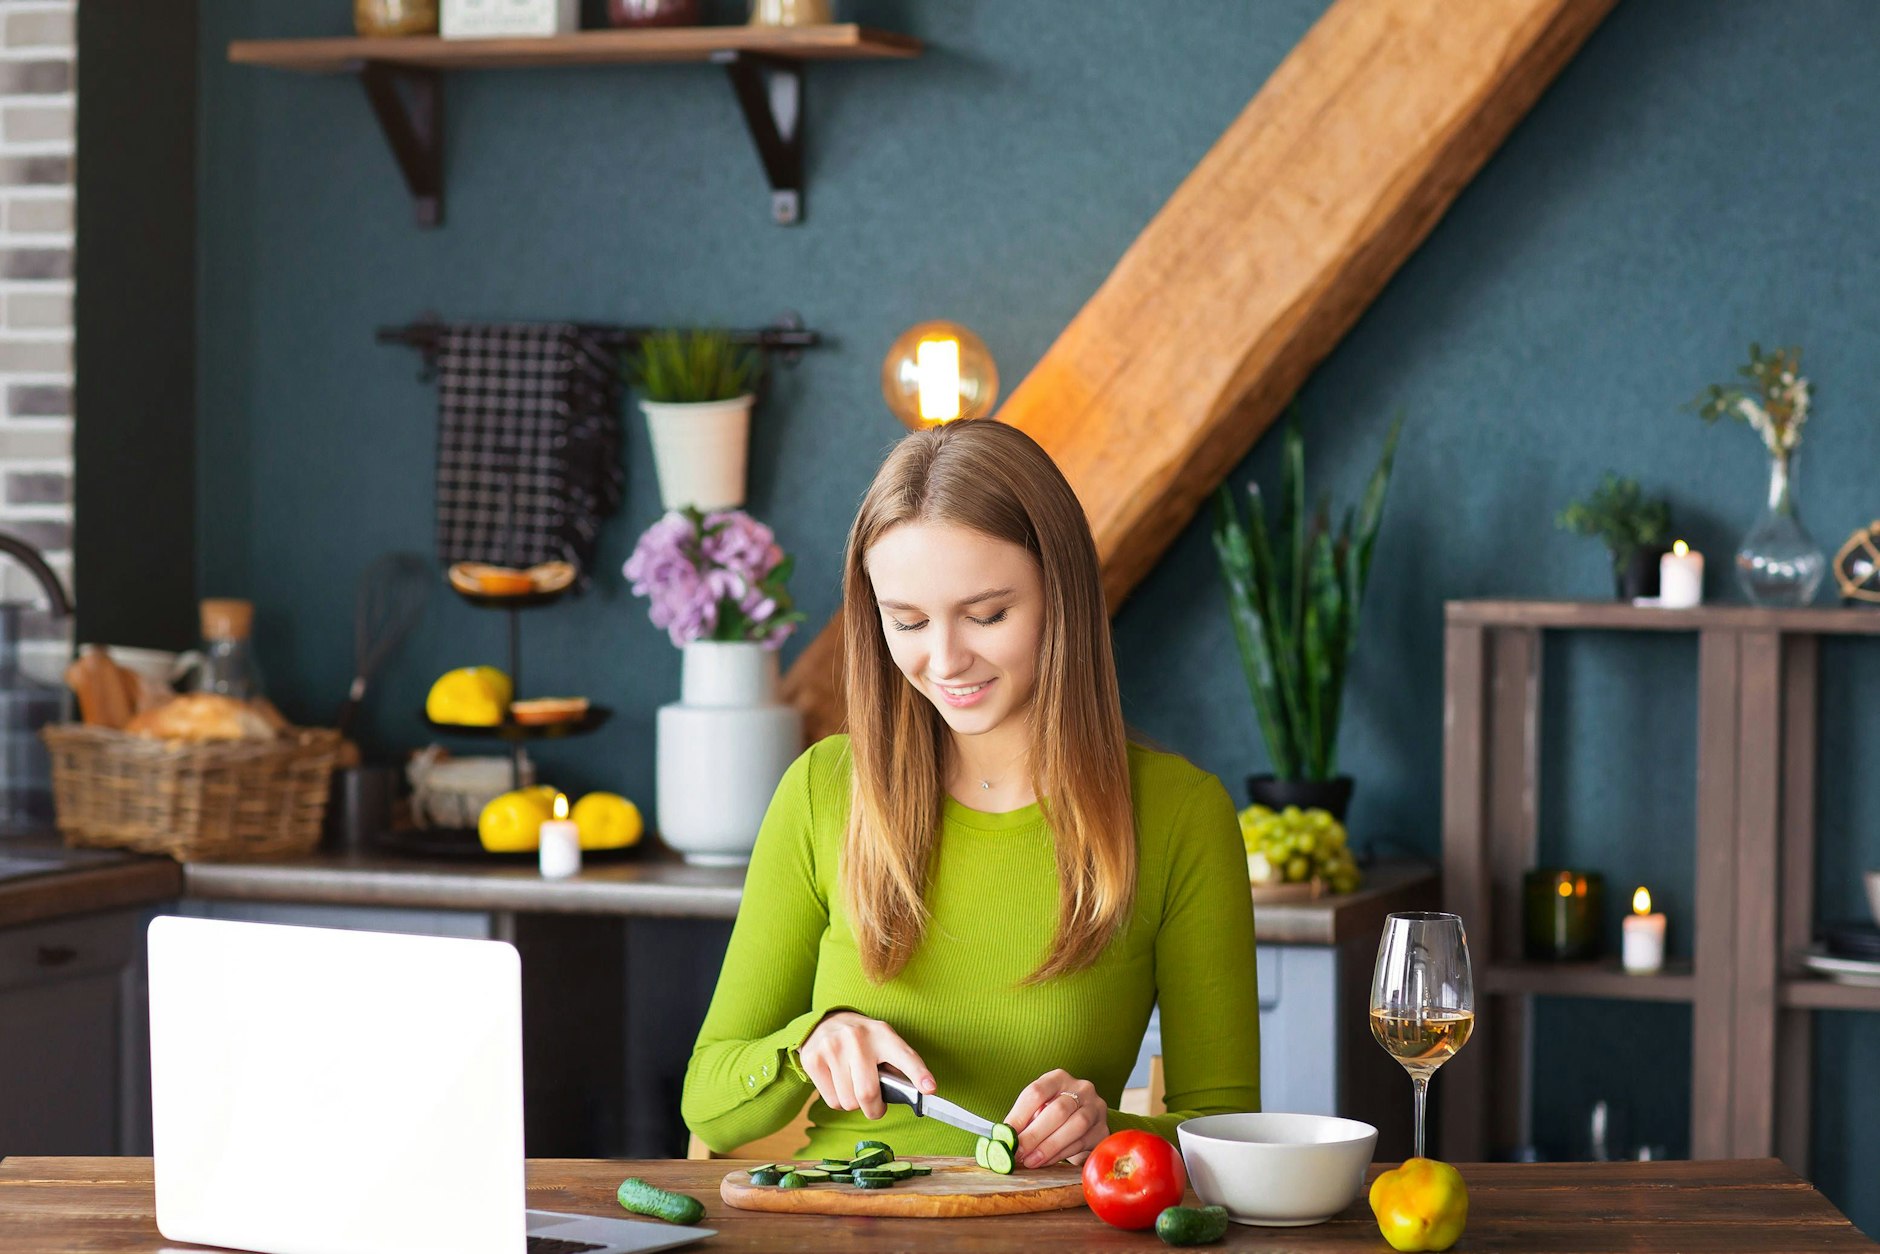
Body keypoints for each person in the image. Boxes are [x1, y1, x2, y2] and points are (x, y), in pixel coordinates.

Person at [682, 419, 1259, 1167]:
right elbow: (710, 1107)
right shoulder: (823, 791)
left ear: (1061, 596)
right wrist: (809, 1043)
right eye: (909, 621)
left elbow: (1230, 1136)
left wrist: (1108, 1132)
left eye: (988, 615)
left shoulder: (1180, 814)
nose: (946, 659)